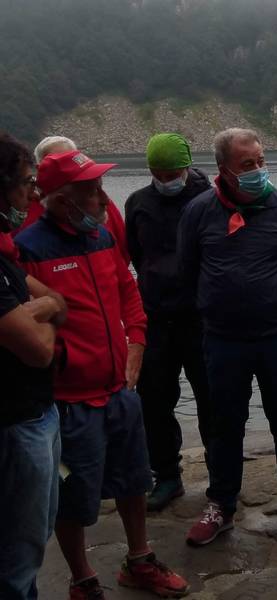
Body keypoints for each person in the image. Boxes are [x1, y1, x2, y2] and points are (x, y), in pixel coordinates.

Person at [15, 150, 189, 600]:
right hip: (67, 403)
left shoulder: (102, 237)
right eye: (91, 191)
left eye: (100, 188)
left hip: (119, 391)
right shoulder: (28, 249)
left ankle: (140, 560)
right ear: (61, 200)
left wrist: (136, 345)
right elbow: (25, 325)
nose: (102, 199)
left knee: (135, 481)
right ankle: (83, 579)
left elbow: (129, 292)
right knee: (71, 496)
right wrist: (63, 362)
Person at [178, 128, 277, 546]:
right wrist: (218, 304)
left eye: (261, 161)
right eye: (247, 164)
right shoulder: (198, 212)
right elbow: (187, 270)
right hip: (223, 339)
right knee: (225, 424)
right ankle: (221, 504)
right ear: (223, 169)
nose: (258, 170)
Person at [125, 133, 213, 511]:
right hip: (156, 317)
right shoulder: (138, 203)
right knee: (155, 400)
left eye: (172, 173)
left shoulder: (209, 200)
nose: (165, 180)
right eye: (158, 174)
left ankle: (221, 472)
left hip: (200, 318)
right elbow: (135, 254)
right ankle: (167, 475)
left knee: (212, 398)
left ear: (186, 166)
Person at [0, 133, 66, 600]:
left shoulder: (4, 257)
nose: (33, 193)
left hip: (38, 414)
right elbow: (38, 350)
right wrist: (47, 313)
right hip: (15, 425)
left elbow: (57, 301)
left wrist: (41, 310)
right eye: (26, 182)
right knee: (17, 555)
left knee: (35, 535)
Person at [26, 136, 130, 264]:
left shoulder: (103, 207)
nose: (68, 166)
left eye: (71, 159)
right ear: (39, 169)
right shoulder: (25, 213)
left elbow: (123, 251)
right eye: (55, 162)